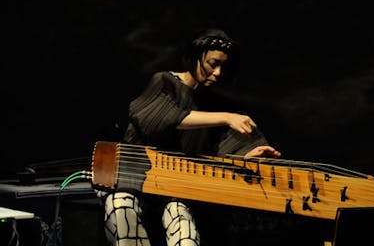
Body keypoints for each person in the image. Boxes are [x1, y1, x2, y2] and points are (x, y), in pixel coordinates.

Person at [99, 27, 281, 246]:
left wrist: (250, 154)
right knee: (121, 208)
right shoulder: (165, 82)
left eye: (224, 67)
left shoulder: (216, 104)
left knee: (183, 226)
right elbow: (157, 120)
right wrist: (225, 117)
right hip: (135, 178)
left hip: (176, 188)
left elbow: (221, 149)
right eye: (213, 64)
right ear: (196, 57)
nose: (218, 73)